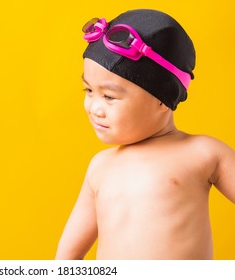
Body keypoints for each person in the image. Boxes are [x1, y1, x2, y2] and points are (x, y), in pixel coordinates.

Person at [55, 9, 235, 260]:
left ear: (162, 98)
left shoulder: (203, 153)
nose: (94, 108)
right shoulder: (100, 167)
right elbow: (67, 257)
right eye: (88, 90)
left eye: (109, 96)